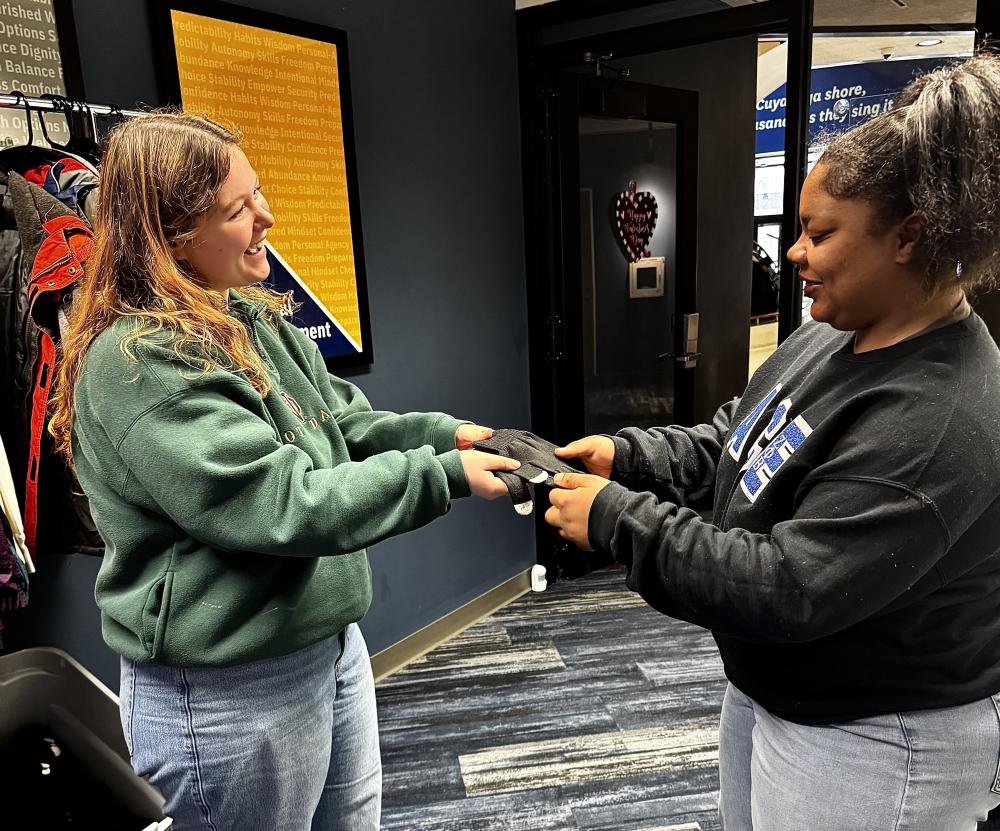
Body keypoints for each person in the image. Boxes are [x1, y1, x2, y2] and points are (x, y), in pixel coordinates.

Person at [545, 54, 1000, 831]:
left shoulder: (942, 417)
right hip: (777, 686)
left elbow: (790, 585)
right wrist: (631, 458)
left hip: (878, 733)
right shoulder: (832, 333)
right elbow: (742, 432)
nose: (793, 253)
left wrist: (619, 518)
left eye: (820, 234)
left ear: (908, 236)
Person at [48, 111, 519, 830]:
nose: (266, 217)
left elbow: (342, 424)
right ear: (171, 235)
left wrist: (448, 435)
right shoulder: (138, 362)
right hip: (229, 692)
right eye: (238, 209)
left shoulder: (248, 316)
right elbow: (281, 502)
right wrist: (444, 474)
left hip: (326, 645)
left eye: (257, 192)